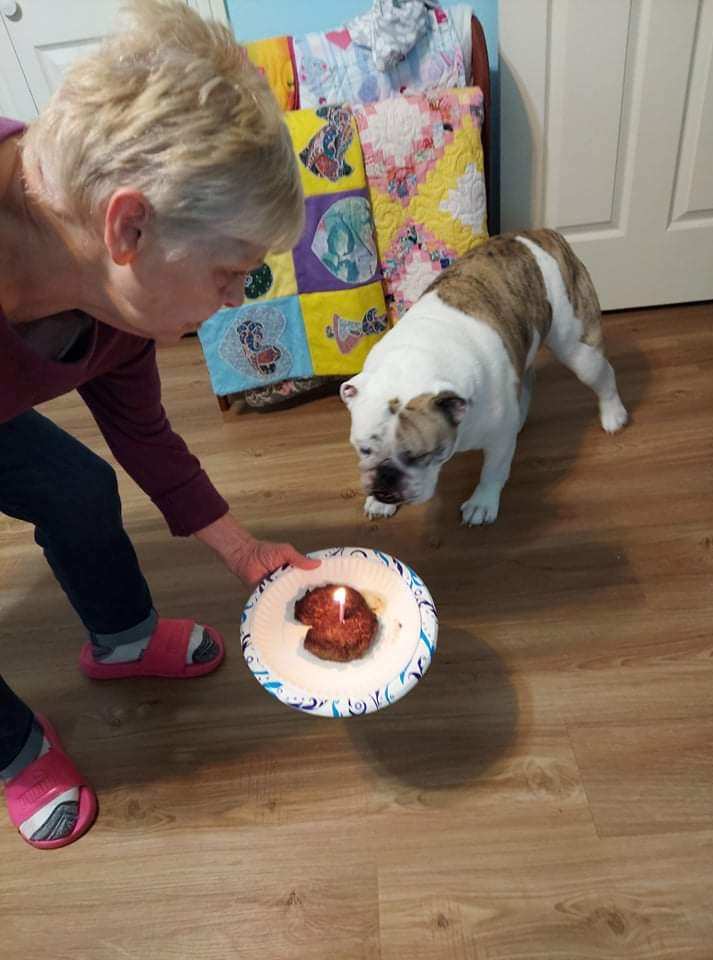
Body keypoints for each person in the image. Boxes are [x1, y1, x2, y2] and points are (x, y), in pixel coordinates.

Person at [0, 0, 319, 850]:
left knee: (79, 487)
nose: (232, 300)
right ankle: (13, 750)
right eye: (233, 274)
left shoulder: (114, 302)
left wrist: (244, 552)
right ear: (130, 225)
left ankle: (122, 639)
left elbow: (144, 435)